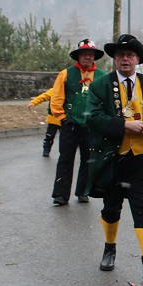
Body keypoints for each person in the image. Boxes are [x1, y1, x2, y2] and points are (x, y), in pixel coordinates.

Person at [84, 34, 143, 281]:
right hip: (113, 158)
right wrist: (124, 125)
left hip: (142, 158)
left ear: (138, 59)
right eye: (120, 55)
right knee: (111, 208)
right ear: (115, 59)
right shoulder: (100, 85)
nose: (125, 59)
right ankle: (109, 248)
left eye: (130, 55)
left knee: (141, 206)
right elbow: (90, 117)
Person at [50, 39, 106, 206]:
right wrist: (62, 118)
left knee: (89, 159)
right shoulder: (66, 74)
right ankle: (60, 194)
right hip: (70, 123)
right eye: (84, 54)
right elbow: (56, 98)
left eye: (90, 54)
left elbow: (106, 100)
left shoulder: (102, 76)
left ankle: (84, 191)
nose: (87, 57)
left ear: (94, 57)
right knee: (65, 159)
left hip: (91, 125)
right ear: (78, 56)